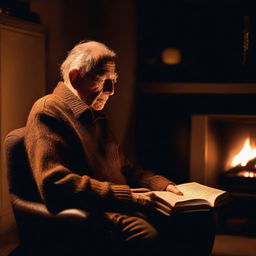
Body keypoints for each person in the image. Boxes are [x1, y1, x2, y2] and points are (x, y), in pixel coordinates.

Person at [24, 40, 215, 255]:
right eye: (103, 80)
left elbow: (124, 169)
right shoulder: (48, 110)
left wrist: (161, 185)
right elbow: (54, 183)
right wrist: (129, 196)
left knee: (199, 215)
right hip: (93, 210)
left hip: (119, 202)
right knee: (147, 236)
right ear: (75, 78)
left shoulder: (93, 115)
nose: (111, 90)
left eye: (113, 81)